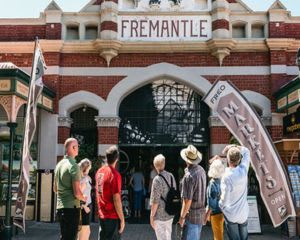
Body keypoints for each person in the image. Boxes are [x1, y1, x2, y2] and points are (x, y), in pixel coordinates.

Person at [54, 138, 87, 240]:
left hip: (60, 208)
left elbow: (55, 189)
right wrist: (83, 197)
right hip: (71, 209)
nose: (78, 148)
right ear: (73, 147)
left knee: (64, 237)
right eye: (77, 146)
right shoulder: (74, 166)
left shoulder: (59, 165)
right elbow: (77, 193)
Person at [219, 145, 250, 240]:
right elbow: (247, 151)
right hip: (243, 213)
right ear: (239, 159)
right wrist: (234, 146)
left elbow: (225, 198)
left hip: (231, 213)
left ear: (228, 160)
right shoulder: (244, 170)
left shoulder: (226, 176)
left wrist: (221, 205)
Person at [95, 145, 125, 240]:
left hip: (102, 214)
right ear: (116, 159)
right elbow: (116, 199)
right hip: (112, 216)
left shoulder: (99, 172)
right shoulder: (115, 175)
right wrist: (122, 219)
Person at [178, 145, 206, 240]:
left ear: (186, 160)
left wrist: (181, 218)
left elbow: (187, 201)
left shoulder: (189, 176)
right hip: (200, 214)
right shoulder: (201, 170)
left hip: (191, 217)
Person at [150, 154, 176, 240]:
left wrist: (151, 216)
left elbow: (155, 200)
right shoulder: (171, 176)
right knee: (168, 237)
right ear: (164, 164)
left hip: (160, 215)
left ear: (155, 166)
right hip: (171, 212)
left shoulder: (157, 179)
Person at [206, 156, 225, 240]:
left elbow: (212, 203)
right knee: (220, 233)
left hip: (215, 213)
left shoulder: (212, 183)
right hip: (223, 211)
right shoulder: (222, 181)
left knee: (217, 236)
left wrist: (207, 215)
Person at [78, 158, 92, 240]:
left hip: (86, 206)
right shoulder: (84, 179)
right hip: (84, 207)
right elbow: (79, 194)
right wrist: (83, 206)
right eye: (89, 168)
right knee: (84, 233)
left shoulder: (84, 177)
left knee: (85, 232)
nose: (90, 170)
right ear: (86, 168)